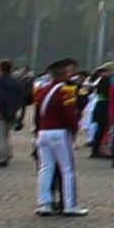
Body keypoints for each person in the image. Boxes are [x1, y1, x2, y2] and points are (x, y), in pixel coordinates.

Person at [34, 59, 92, 216]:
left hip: (43, 131)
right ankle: (69, 204)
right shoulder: (66, 91)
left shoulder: (41, 90)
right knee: (67, 169)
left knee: (45, 169)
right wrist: (74, 129)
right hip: (60, 132)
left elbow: (38, 114)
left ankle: (44, 203)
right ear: (64, 74)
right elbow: (69, 114)